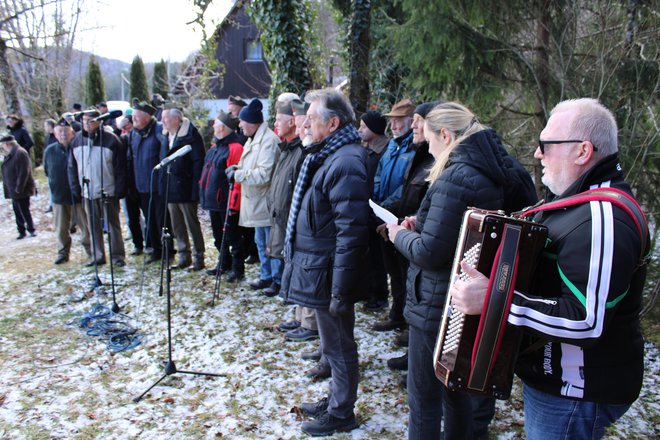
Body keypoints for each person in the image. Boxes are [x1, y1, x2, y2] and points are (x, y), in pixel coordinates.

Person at [450, 98, 648, 440]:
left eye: (546, 145)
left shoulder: (603, 219)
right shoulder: (573, 204)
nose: (538, 154)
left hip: (573, 392)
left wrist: (495, 300)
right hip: (553, 380)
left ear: (582, 151)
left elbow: (587, 321)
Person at [385, 102, 537, 439]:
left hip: (436, 303)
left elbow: (430, 251)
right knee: (455, 393)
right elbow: (452, 231)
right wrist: (419, 223)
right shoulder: (489, 168)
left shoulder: (457, 176)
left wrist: (400, 234)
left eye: (430, 142)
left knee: (424, 401)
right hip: (457, 300)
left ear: (446, 134)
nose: (428, 149)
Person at [280, 88, 371, 436]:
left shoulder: (345, 161)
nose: (304, 124)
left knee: (339, 342)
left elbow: (351, 233)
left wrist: (340, 288)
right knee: (331, 343)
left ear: (333, 124)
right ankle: (335, 399)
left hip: (330, 272)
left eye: (311, 119)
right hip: (320, 269)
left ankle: (342, 411)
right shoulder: (328, 154)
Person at [226, 99, 281, 291]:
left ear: (253, 122)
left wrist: (238, 174)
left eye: (242, 121)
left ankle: (277, 279)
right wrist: (237, 168)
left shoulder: (268, 141)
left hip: (265, 201)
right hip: (256, 202)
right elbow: (250, 166)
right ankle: (266, 276)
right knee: (261, 242)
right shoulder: (254, 139)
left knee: (270, 244)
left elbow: (264, 174)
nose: (239, 125)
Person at [372, 99, 417, 332]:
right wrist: (377, 202)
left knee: (404, 270)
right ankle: (396, 313)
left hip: (403, 218)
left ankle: (407, 320)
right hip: (385, 217)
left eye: (398, 121)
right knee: (393, 270)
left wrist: (387, 206)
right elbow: (379, 175)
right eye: (392, 121)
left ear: (411, 121)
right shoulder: (391, 147)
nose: (394, 125)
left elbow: (408, 186)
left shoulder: (414, 149)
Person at [68, 109, 127, 267]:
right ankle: (98, 255)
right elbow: (72, 167)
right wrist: (75, 187)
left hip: (108, 189)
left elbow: (120, 167)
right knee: (93, 226)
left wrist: (120, 188)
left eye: (91, 120)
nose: (87, 123)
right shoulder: (77, 141)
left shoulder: (111, 140)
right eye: (85, 120)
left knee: (113, 225)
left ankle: (117, 256)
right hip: (87, 191)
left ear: (100, 121)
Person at [200, 111, 245, 280]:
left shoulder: (235, 148)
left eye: (216, 123)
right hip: (213, 201)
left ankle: (237, 268)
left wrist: (233, 204)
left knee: (233, 237)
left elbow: (237, 179)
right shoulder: (215, 147)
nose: (213, 125)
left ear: (224, 127)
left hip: (226, 202)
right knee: (218, 237)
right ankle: (223, 263)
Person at [160, 108, 206, 271]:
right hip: (171, 188)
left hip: (186, 187)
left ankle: (199, 256)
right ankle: (183, 256)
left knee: (192, 224)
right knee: (177, 225)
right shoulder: (166, 136)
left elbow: (198, 163)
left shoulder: (191, 135)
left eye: (166, 118)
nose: (163, 121)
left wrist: (196, 189)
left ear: (177, 119)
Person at [43, 118, 92, 264]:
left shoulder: (77, 147)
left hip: (78, 194)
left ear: (72, 133)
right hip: (59, 195)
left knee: (86, 226)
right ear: (55, 133)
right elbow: (47, 170)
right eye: (60, 131)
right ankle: (63, 253)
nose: (63, 134)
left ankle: (91, 250)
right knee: (61, 228)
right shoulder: (50, 150)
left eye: (66, 131)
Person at [358, 109, 391, 312]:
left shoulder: (384, 151)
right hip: (367, 208)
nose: (359, 130)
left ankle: (379, 296)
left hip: (378, 210)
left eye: (363, 126)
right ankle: (370, 292)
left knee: (378, 257)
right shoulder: (367, 149)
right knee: (369, 255)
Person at [130, 100, 166, 263]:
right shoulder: (134, 133)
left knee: (162, 219)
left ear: (146, 117)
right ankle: (155, 249)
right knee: (149, 219)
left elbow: (164, 157)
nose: (133, 120)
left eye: (136, 117)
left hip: (157, 185)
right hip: (141, 184)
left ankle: (167, 249)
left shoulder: (159, 130)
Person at [1, 135, 36, 239]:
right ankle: (21, 230)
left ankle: (31, 229)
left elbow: (23, 172)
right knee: (18, 211)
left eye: (3, 145)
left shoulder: (20, 153)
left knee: (24, 210)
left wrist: (18, 188)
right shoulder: (12, 153)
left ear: (7, 144)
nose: (2, 147)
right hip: (14, 189)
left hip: (21, 189)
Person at [119, 115, 145, 256]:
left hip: (141, 182)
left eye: (129, 124)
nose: (127, 127)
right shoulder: (123, 139)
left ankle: (151, 243)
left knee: (148, 216)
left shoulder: (139, 137)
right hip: (128, 184)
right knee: (132, 218)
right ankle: (137, 244)